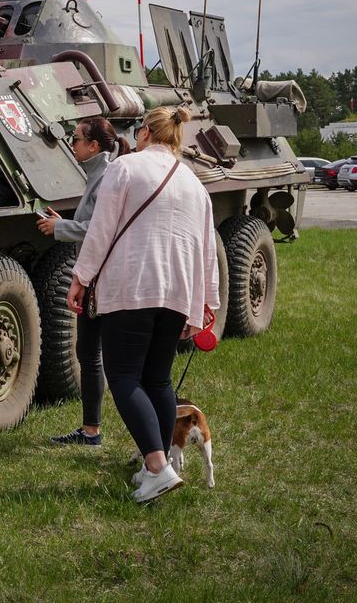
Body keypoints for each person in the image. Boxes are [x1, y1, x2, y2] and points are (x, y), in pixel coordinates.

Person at [68, 105, 220, 504]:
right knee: (158, 380)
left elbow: (101, 230)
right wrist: (207, 302)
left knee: (123, 377)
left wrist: (81, 277)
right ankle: (160, 464)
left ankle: (156, 465)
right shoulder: (195, 184)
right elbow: (207, 248)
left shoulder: (125, 168)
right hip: (177, 294)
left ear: (146, 134)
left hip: (132, 287)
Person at [37, 116, 120, 447]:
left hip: (101, 279)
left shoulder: (105, 179)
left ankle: (97, 432)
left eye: (76, 139)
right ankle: (91, 430)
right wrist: (66, 223)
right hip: (95, 276)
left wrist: (60, 229)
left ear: (94, 146)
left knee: (98, 354)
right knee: (88, 352)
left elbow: (102, 230)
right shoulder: (98, 176)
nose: (72, 145)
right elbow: (92, 222)